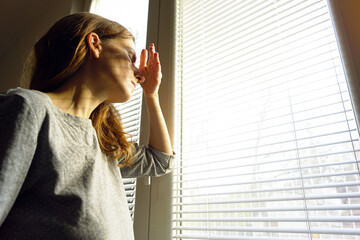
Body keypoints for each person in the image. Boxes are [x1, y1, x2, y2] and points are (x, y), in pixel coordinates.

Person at [0, 12, 174, 239]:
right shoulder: (29, 109)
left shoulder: (105, 143)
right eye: (131, 57)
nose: (140, 73)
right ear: (95, 44)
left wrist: (152, 96)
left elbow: (160, 161)